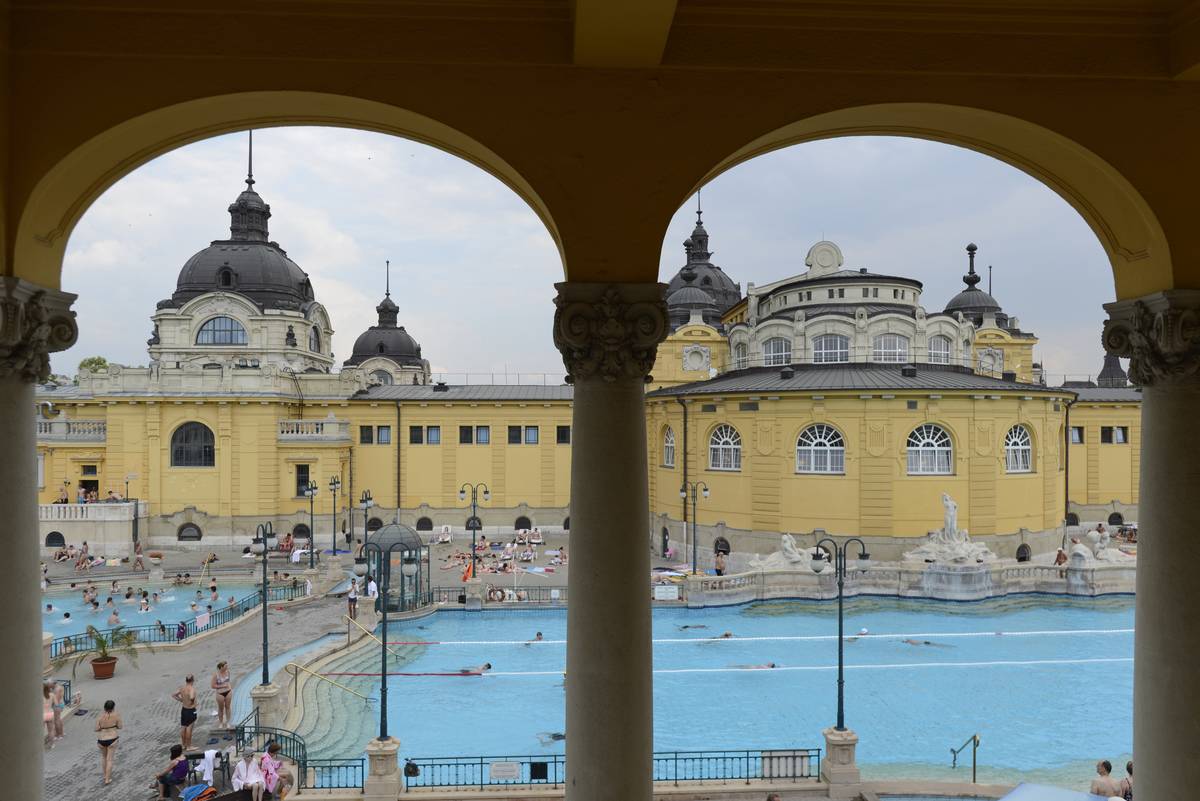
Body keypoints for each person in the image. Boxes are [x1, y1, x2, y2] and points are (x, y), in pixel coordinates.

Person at [95, 699, 121, 785]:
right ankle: (107, 779)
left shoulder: (100, 716)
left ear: (104, 707)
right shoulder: (116, 715)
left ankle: (105, 775)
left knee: (104, 757)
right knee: (109, 759)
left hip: (101, 739)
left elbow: (96, 729)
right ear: (113, 707)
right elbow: (120, 726)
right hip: (112, 739)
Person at [172, 674, 198, 750]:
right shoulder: (191, 689)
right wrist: (192, 702)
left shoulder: (182, 688)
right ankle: (189, 746)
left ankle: (183, 745)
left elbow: (173, 695)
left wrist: (181, 700)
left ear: (186, 680)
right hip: (191, 710)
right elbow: (192, 697)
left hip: (184, 710)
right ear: (192, 680)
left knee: (183, 727)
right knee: (189, 728)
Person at [212, 660, 232, 728]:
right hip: (220, 693)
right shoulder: (216, 675)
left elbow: (228, 681)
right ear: (221, 667)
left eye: (227, 666)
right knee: (221, 708)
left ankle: (228, 722)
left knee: (228, 707)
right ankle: (221, 722)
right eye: (225, 666)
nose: (227, 667)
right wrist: (222, 686)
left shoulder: (228, 672)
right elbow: (213, 686)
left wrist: (228, 686)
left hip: (228, 691)